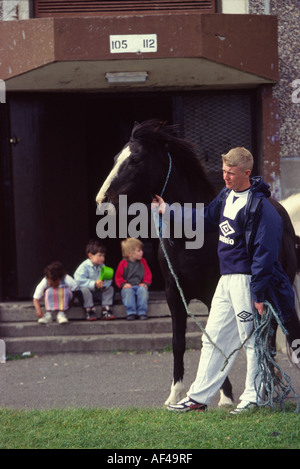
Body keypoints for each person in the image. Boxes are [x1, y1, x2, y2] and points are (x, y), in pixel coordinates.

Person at [152, 147, 295, 414]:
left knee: (251, 340)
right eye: (224, 171)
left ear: (247, 173)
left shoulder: (262, 208)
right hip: (225, 280)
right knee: (213, 337)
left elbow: (265, 254)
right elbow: (204, 218)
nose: (225, 177)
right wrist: (167, 210)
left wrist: (259, 293)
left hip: (246, 281)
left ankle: (253, 397)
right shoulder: (226, 196)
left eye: (231, 173)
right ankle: (198, 397)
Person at [74, 239, 115, 321]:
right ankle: (89, 310)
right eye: (99, 255)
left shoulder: (102, 266)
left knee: (110, 289)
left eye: (103, 256)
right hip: (87, 294)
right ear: (90, 256)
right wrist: (93, 283)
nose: (102, 258)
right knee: (84, 290)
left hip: (97, 292)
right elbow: (78, 280)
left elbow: (108, 279)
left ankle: (106, 309)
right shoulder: (84, 266)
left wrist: (104, 285)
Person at [115, 238, 152, 320]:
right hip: (129, 286)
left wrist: (145, 283)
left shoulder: (143, 262)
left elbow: (147, 274)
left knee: (142, 291)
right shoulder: (123, 263)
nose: (141, 252)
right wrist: (123, 284)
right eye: (138, 250)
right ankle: (131, 312)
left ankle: (142, 312)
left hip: (140, 285)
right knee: (128, 292)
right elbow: (118, 277)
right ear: (129, 253)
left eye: (141, 250)